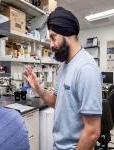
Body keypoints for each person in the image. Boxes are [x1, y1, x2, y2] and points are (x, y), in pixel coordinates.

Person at [24, 7, 102, 150]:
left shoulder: (86, 68)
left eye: (53, 37)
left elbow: (92, 132)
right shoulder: (65, 64)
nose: (51, 44)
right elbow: (56, 102)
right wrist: (38, 88)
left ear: (67, 34)